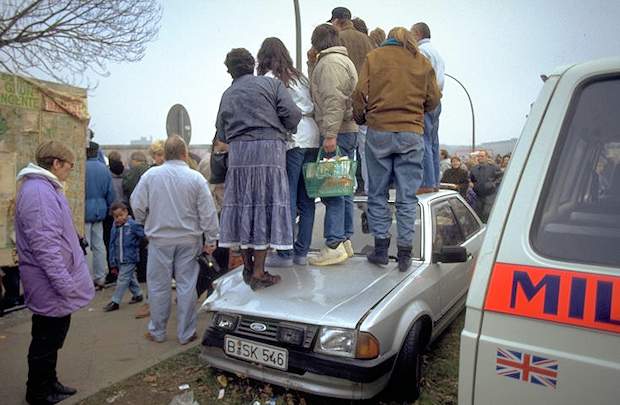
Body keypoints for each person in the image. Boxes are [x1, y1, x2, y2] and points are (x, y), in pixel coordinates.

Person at [353, 26, 441, 271]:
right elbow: (434, 99)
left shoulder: (374, 58)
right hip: (411, 134)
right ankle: (404, 253)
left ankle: (381, 249)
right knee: (407, 197)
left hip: (379, 132)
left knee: (377, 193)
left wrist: (362, 118)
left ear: (389, 39)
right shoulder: (422, 62)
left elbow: (359, 93)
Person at [15, 141, 95, 404]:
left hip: (52, 281)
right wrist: (64, 283)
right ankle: (37, 392)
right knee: (45, 341)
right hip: (49, 282)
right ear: (56, 163)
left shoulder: (44, 188)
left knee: (52, 339)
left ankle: (50, 382)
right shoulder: (39, 192)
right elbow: (45, 246)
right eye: (69, 167)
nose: (69, 173)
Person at [216, 47, 301, 288]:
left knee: (244, 206)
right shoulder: (271, 86)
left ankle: (248, 266)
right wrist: (283, 128)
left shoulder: (228, 93)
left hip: (240, 154)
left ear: (230, 70)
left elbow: (221, 131)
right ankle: (259, 272)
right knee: (265, 205)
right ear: (252, 64)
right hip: (269, 151)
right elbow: (292, 114)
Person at [131, 135, 219, 343]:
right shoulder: (196, 178)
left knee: (158, 286)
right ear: (185, 153)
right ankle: (186, 333)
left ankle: (157, 331)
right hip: (189, 239)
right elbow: (208, 212)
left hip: (159, 239)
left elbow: (136, 204)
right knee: (187, 285)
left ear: (166, 153)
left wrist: (144, 221)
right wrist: (212, 239)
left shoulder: (151, 176)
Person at [257, 37, 320, 267]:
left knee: (287, 196)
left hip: (291, 139)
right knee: (307, 199)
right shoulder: (299, 76)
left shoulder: (269, 79)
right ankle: (301, 253)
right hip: (312, 136)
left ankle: (285, 253)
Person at [308, 24, 359, 266]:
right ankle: (344, 240)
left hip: (337, 132)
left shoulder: (329, 64)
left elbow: (333, 100)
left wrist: (329, 134)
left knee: (333, 188)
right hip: (347, 130)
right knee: (344, 186)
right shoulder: (341, 60)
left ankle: (333, 244)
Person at [412, 22, 445, 193]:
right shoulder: (436, 51)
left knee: (423, 141)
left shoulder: (422, 52)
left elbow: (420, 77)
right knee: (433, 142)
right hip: (437, 99)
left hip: (425, 100)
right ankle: (434, 182)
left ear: (417, 33)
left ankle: (426, 182)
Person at [103, 202, 144, 312]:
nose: (118, 219)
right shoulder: (114, 227)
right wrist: (112, 261)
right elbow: (111, 244)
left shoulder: (132, 225)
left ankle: (115, 301)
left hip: (130, 258)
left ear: (126, 212)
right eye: (116, 217)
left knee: (122, 279)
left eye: (121, 215)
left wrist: (137, 246)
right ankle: (138, 294)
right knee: (130, 278)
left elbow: (143, 235)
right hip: (119, 258)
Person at [85, 141, 115, 289]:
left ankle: (87, 277)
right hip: (100, 209)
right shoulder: (104, 169)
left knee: (86, 245)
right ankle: (101, 276)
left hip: (84, 210)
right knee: (99, 244)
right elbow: (110, 193)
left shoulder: (81, 168)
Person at [470, 150, 503, 222]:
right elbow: (471, 179)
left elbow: (501, 177)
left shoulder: (494, 167)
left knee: (487, 214)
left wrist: (493, 184)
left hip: (490, 195)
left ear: (487, 157)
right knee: (478, 215)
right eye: (478, 156)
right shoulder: (474, 169)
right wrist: (472, 184)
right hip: (478, 196)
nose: (480, 158)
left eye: (482, 156)